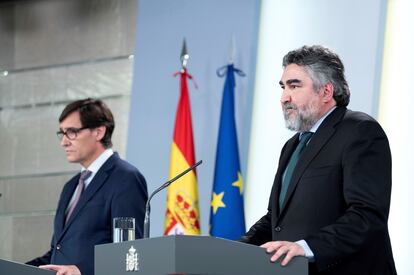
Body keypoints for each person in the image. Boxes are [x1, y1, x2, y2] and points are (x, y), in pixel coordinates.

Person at [240, 45, 397, 275]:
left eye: (294, 86)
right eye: (283, 87)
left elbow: (367, 216)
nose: (284, 97)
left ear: (326, 92)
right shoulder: (293, 145)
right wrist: (230, 250)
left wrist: (306, 247)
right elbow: (275, 220)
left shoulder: (361, 131)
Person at [27, 98, 148, 275]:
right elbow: (58, 253)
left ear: (98, 132)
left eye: (72, 132)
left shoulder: (125, 178)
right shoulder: (71, 186)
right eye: (62, 133)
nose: (64, 142)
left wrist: (82, 270)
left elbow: (130, 250)